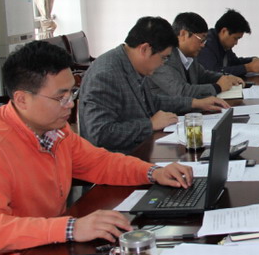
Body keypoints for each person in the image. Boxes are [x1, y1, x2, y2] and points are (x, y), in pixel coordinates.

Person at [0, 40, 195, 255]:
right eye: (60, 97)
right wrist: (71, 228)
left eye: (71, 94)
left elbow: (100, 162)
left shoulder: (55, 131)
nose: (70, 105)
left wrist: (152, 172)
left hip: (41, 254)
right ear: (21, 99)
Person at [79, 16, 227, 154]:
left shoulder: (132, 64)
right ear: (144, 49)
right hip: (116, 160)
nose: (163, 64)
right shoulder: (106, 75)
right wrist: (149, 125)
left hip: (140, 150)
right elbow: (100, 134)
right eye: (164, 58)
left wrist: (195, 103)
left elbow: (151, 101)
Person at [149, 12, 244, 102]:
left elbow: (203, 75)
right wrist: (218, 87)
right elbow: (181, 92)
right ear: (183, 34)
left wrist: (226, 78)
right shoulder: (163, 58)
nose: (203, 45)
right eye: (201, 39)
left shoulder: (189, 56)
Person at [196, 9, 259, 77]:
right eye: (235, 38)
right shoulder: (207, 44)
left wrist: (252, 60)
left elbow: (234, 63)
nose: (236, 43)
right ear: (224, 31)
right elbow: (213, 73)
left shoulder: (223, 44)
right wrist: (248, 68)